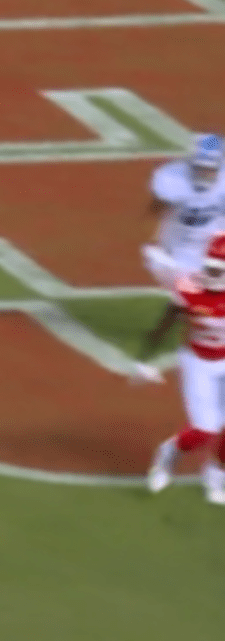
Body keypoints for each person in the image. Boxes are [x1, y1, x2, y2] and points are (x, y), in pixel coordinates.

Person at [136, 234, 225, 502]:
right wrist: (144, 360)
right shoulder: (189, 288)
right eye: (210, 267)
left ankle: (216, 476)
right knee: (204, 430)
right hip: (198, 362)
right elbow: (165, 323)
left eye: (218, 269)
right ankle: (169, 454)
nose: (212, 273)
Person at [142, 133, 225, 288]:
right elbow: (156, 208)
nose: (205, 173)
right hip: (178, 249)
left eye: (210, 169)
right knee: (185, 298)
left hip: (214, 251)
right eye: (200, 168)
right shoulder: (173, 179)